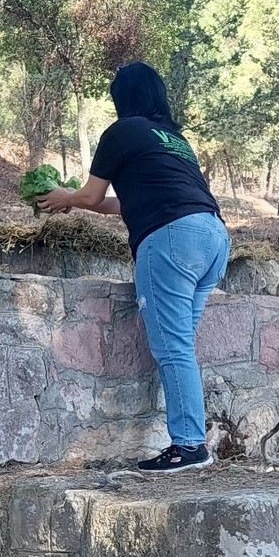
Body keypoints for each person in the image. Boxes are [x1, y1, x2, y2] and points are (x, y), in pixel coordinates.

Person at [36, 62, 231, 473]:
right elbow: (126, 202)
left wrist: (64, 197)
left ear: (121, 98)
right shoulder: (175, 139)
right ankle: (191, 442)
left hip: (172, 238)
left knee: (173, 347)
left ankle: (189, 446)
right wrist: (76, 200)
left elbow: (91, 196)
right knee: (181, 346)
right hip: (213, 236)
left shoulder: (121, 132)